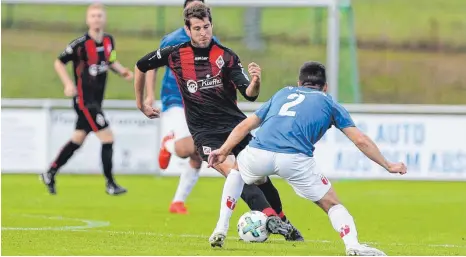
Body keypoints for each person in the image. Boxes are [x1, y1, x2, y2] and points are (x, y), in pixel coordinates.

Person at [134, 2, 303, 246]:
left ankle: (282, 220)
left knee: (260, 179)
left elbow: (250, 93)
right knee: (237, 174)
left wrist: (255, 81)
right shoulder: (175, 54)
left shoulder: (226, 56)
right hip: (205, 134)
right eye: (197, 28)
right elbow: (141, 65)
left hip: (236, 128)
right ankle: (270, 219)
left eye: (207, 27)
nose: (203, 32)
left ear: (211, 25)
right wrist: (140, 103)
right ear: (187, 29)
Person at [208, 61, 408, 254]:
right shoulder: (329, 102)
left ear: (299, 83)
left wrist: (224, 150)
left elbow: (245, 125)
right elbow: (360, 140)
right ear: (325, 87)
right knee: (332, 204)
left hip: (260, 152)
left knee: (236, 170)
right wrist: (387, 165)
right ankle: (352, 245)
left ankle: (220, 228)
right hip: (295, 159)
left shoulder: (283, 94)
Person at [40, 3, 134, 195]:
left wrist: (122, 71)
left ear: (104, 18)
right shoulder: (79, 44)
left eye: (100, 15)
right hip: (84, 101)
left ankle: (50, 172)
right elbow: (59, 62)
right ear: (88, 20)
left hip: (97, 101)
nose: (96, 19)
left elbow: (111, 60)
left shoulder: (109, 40)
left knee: (78, 139)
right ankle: (110, 184)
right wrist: (68, 84)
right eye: (93, 16)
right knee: (108, 137)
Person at [145, 0, 220, 215]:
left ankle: (177, 202)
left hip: (201, 103)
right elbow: (150, 66)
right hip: (175, 99)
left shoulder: (212, 40)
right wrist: (150, 95)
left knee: (199, 153)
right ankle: (168, 144)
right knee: (186, 148)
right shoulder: (172, 39)